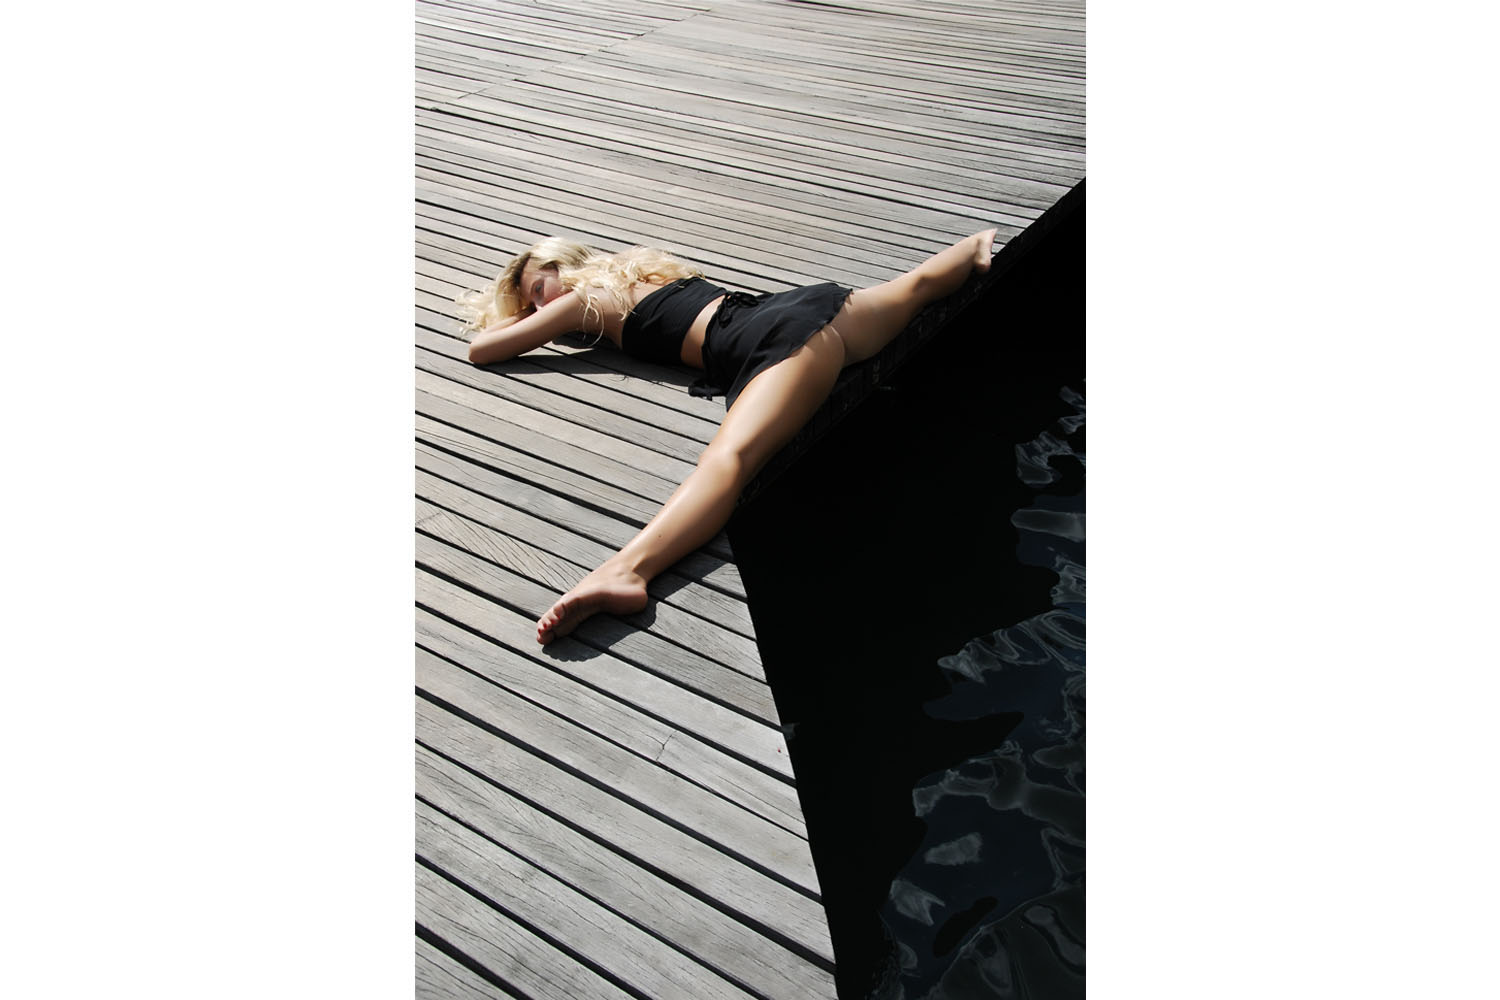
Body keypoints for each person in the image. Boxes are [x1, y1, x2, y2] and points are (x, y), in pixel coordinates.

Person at [458, 230, 997, 644]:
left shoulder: (581, 299)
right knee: (919, 286)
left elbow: (483, 351)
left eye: (535, 292)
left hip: (778, 343)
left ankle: (625, 571)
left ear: (561, 269)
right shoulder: (644, 274)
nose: (536, 308)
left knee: (728, 461)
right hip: (813, 307)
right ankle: (976, 246)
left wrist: (513, 317)